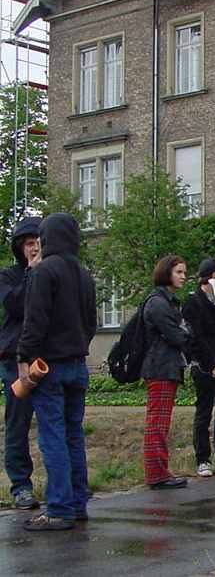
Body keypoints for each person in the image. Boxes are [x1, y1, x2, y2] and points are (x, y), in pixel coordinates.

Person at [16, 213, 97, 531]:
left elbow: (34, 322)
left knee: (53, 438)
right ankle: (77, 505)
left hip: (48, 367)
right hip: (78, 364)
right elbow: (91, 323)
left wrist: (25, 359)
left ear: (47, 237)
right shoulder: (85, 275)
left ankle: (59, 509)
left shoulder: (44, 271)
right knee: (74, 436)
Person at [0, 216, 42, 510]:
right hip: (15, 359)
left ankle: (65, 485)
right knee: (18, 422)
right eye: (29, 244)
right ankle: (20, 486)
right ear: (20, 247)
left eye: (39, 243)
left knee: (58, 422)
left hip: (46, 358)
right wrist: (30, 272)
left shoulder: (53, 273)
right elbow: (15, 304)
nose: (34, 249)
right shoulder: (10, 276)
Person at [142, 255, 191, 490]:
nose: (184, 277)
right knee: (157, 423)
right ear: (167, 273)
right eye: (179, 272)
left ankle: (160, 471)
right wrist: (186, 333)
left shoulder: (167, 302)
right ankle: (157, 474)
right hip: (160, 367)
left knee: (161, 422)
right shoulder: (158, 303)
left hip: (166, 366)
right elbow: (177, 335)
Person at [183, 258, 215, 478]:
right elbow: (197, 338)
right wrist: (212, 363)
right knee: (204, 412)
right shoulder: (192, 303)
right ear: (213, 277)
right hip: (204, 367)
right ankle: (203, 459)